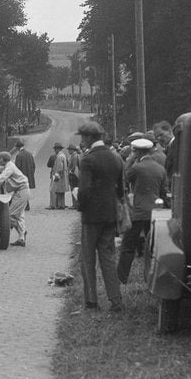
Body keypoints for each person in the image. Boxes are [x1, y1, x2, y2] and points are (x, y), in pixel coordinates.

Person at [76, 121, 125, 311]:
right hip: (110, 215)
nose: (82, 140)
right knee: (108, 258)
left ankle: (92, 301)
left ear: (89, 137)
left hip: (91, 216)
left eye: (83, 136)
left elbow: (84, 190)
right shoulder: (116, 158)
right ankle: (116, 299)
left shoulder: (87, 160)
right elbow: (120, 189)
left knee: (88, 259)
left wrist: (81, 206)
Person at [117, 138, 168, 283]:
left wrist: (130, 160)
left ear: (137, 152)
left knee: (128, 246)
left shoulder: (137, 168)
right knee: (153, 247)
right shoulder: (160, 169)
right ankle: (154, 278)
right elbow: (164, 192)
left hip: (138, 212)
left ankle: (121, 278)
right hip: (155, 212)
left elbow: (124, 177)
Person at [0, 151, 31, 246]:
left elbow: (1, 178)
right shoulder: (7, 166)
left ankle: (22, 232)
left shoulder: (10, 167)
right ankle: (21, 238)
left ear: (3, 159)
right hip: (20, 191)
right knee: (20, 215)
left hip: (21, 191)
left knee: (10, 216)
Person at [12, 140, 36, 211]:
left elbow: (17, 168)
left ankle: (24, 205)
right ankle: (26, 205)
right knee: (26, 190)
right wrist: (31, 173)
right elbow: (33, 165)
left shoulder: (19, 155)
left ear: (18, 147)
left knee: (21, 191)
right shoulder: (29, 154)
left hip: (22, 177)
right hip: (29, 175)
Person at [48, 143, 69, 209]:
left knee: (53, 189)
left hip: (58, 175)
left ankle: (54, 205)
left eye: (55, 149)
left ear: (58, 149)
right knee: (61, 192)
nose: (54, 150)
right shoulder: (63, 155)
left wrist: (56, 176)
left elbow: (60, 168)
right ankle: (62, 205)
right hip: (63, 175)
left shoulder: (59, 157)